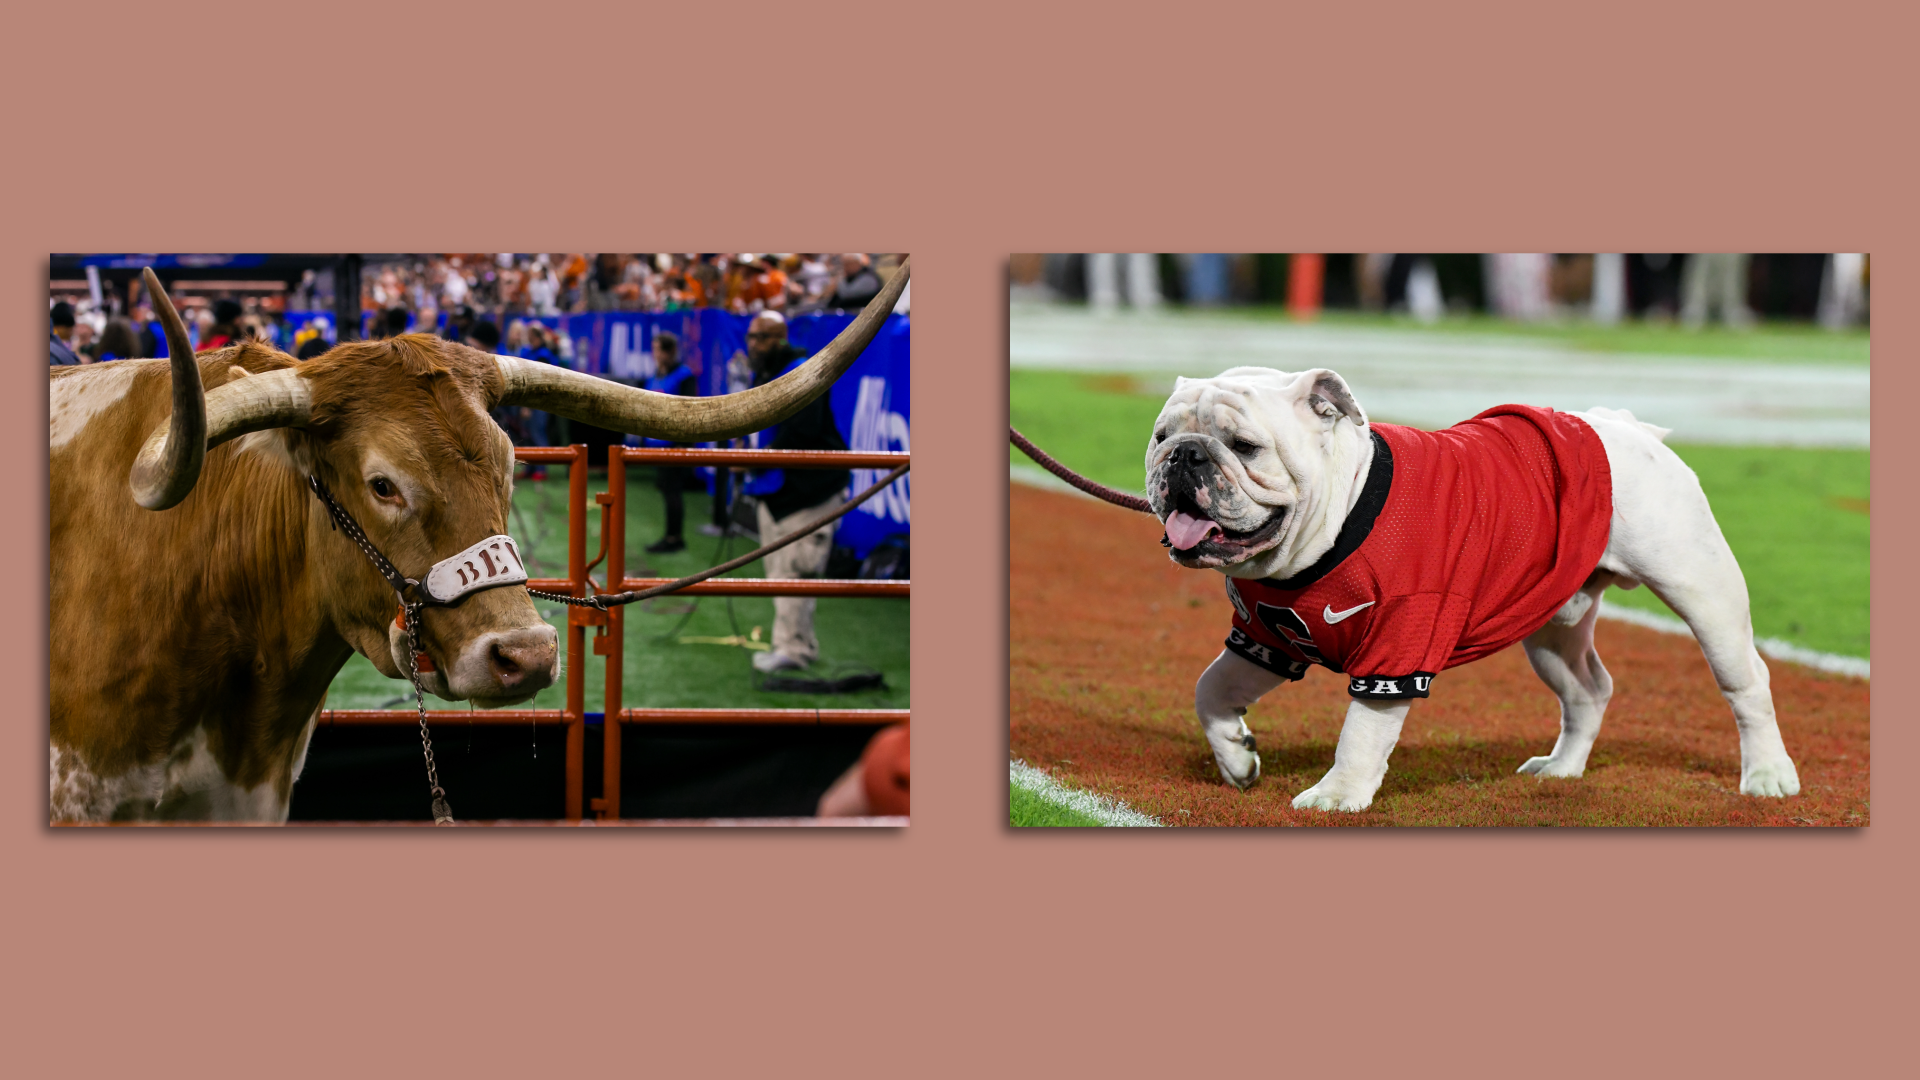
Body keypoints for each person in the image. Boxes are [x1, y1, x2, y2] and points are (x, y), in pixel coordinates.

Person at [739, 311, 852, 673]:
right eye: (751, 337)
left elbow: (802, 435)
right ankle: (789, 644)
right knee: (780, 574)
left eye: (762, 337)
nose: (754, 345)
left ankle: (794, 650)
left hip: (807, 494)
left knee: (795, 573)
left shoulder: (802, 372)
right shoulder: (766, 374)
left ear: (781, 338)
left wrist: (753, 461)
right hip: (777, 493)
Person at [628, 331, 697, 553]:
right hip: (657, 444)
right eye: (655, 350)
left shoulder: (684, 376)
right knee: (667, 491)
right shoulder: (656, 375)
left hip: (673, 446)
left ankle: (674, 538)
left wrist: (681, 443)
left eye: (658, 350)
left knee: (672, 491)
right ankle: (671, 536)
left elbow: (689, 411)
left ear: (670, 352)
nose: (655, 354)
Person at [49, 301, 82, 365]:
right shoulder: (55, 350)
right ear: (61, 328)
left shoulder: (56, 344)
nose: (71, 333)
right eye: (70, 330)